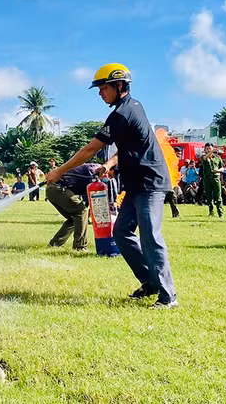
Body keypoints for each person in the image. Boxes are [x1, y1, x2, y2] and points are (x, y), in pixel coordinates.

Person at [46, 63, 177, 308]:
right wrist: (110, 164)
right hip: (136, 184)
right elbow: (132, 146)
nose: (99, 93)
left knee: (150, 236)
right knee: (122, 232)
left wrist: (59, 171)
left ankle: (168, 295)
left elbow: (90, 149)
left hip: (150, 184)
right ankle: (150, 281)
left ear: (119, 85)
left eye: (103, 88)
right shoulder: (129, 109)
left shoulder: (123, 113)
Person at [46, 163, 101, 252]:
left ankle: (55, 244)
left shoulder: (96, 173)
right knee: (81, 212)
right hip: (58, 188)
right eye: (111, 175)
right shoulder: (94, 170)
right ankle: (80, 247)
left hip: (53, 190)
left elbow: (89, 195)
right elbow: (91, 189)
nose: (108, 177)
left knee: (75, 218)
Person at [200, 143, 224, 217]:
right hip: (207, 179)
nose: (208, 150)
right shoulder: (204, 157)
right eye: (207, 148)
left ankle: (220, 213)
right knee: (208, 196)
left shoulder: (217, 158)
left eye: (210, 148)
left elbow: (222, 168)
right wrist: (212, 151)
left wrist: (217, 171)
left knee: (218, 196)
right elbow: (205, 158)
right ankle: (211, 211)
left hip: (216, 178)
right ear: (205, 149)